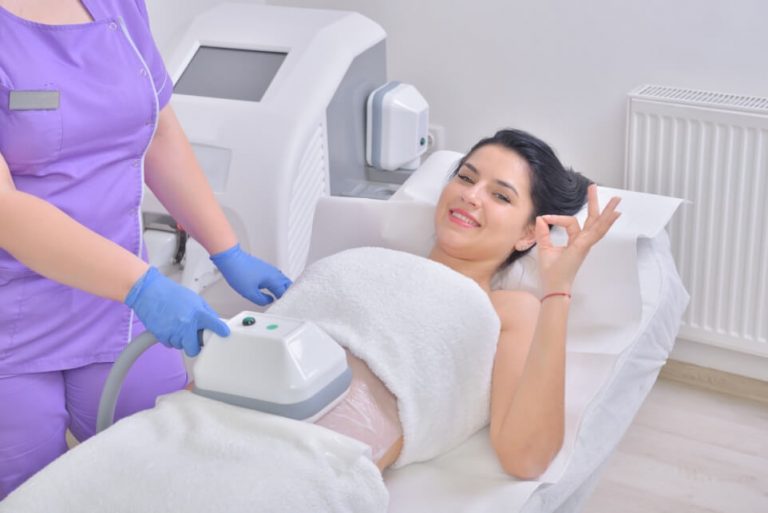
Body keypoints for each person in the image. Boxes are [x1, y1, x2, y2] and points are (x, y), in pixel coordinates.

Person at [0, 0, 291, 498]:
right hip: (14, 319)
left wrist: (227, 250)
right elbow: (6, 211)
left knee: (174, 468)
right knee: (29, 493)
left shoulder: (116, 7)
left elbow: (159, 133)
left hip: (114, 306)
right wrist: (143, 287)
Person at [313, 128, 621, 478]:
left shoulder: (504, 309)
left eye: (501, 196)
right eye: (465, 178)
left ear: (526, 234)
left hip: (318, 458)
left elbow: (527, 458)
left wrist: (558, 289)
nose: (471, 196)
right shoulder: (370, 262)